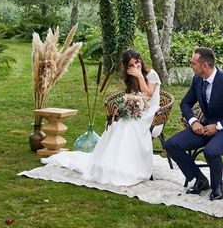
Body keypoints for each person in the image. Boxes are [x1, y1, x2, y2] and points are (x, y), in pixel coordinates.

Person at [44, 49, 161, 186]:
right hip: (137, 110)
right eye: (131, 65)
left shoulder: (151, 74)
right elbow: (134, 96)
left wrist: (140, 76)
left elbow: (149, 95)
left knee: (129, 126)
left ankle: (129, 166)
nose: (136, 66)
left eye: (137, 62)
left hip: (151, 111)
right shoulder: (131, 78)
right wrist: (128, 103)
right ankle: (112, 164)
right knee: (118, 124)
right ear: (126, 67)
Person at [164, 47, 223, 201]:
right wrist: (193, 121)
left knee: (210, 151)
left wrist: (217, 126)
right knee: (171, 145)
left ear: (204, 66)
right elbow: (185, 103)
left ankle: (218, 186)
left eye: (193, 63)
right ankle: (200, 179)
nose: (191, 65)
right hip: (203, 127)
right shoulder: (197, 80)